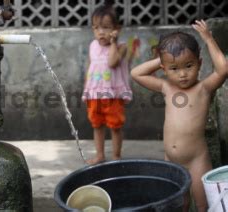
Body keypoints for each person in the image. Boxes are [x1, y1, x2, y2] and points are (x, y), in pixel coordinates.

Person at [131, 20, 227, 211]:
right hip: (171, 160)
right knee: (178, 204)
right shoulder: (166, 87)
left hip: (197, 159)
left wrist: (208, 38)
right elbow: (136, 73)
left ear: (199, 64)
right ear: (164, 69)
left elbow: (223, 69)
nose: (182, 74)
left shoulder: (203, 89)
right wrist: (163, 60)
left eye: (188, 66)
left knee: (203, 204)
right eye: (174, 68)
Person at [82, 4, 133, 165]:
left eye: (105, 27)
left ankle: (116, 156)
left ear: (116, 29)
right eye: (96, 28)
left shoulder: (121, 47)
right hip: (95, 94)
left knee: (115, 126)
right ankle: (100, 155)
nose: (100, 32)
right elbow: (89, 68)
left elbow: (112, 62)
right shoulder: (92, 46)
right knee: (97, 125)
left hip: (113, 95)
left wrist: (113, 42)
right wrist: (86, 90)